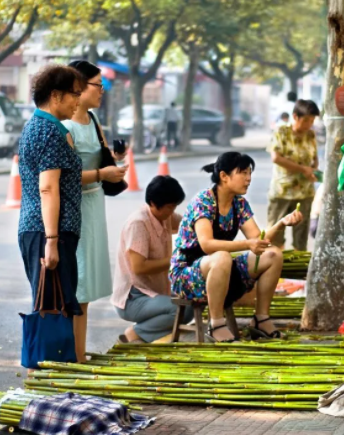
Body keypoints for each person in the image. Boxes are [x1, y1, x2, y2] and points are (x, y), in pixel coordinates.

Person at [170, 152, 303, 342]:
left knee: (273, 254)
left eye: (250, 173)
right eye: (243, 173)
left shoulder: (239, 204)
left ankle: (261, 320)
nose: (248, 179)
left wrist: (282, 223)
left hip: (221, 268)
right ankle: (216, 324)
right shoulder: (204, 201)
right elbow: (207, 245)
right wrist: (247, 244)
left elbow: (257, 239)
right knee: (222, 256)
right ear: (224, 176)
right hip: (187, 273)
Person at [18, 65, 86, 367]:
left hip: (43, 229)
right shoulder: (48, 131)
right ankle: (46, 376)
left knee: (55, 303)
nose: (78, 100)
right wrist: (52, 240)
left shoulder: (42, 126)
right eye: (74, 94)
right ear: (55, 95)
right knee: (51, 306)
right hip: (46, 231)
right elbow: (47, 188)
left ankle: (51, 374)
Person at [62, 60, 127, 362]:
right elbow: (62, 175)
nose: (103, 91)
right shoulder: (65, 126)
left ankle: (78, 354)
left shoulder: (92, 118)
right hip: (76, 209)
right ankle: (73, 357)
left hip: (95, 202)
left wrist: (115, 158)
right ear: (78, 86)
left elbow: (98, 158)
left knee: (85, 288)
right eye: (98, 85)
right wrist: (102, 174)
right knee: (79, 284)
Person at [111, 176, 191, 344]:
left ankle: (148, 329)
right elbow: (139, 267)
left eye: (175, 206)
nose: (172, 211)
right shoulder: (138, 224)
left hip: (154, 291)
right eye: (170, 207)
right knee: (178, 309)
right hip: (133, 297)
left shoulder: (165, 216)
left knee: (190, 305)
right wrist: (175, 260)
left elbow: (189, 224)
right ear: (154, 203)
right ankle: (135, 334)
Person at [267, 99, 320, 251]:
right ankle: (276, 264)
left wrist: (313, 171)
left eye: (312, 120)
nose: (309, 124)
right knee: (275, 237)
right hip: (282, 191)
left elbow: (314, 159)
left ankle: (298, 264)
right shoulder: (281, 132)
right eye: (306, 120)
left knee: (301, 238)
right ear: (295, 116)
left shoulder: (311, 135)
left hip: (304, 193)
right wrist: (303, 169)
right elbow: (276, 158)